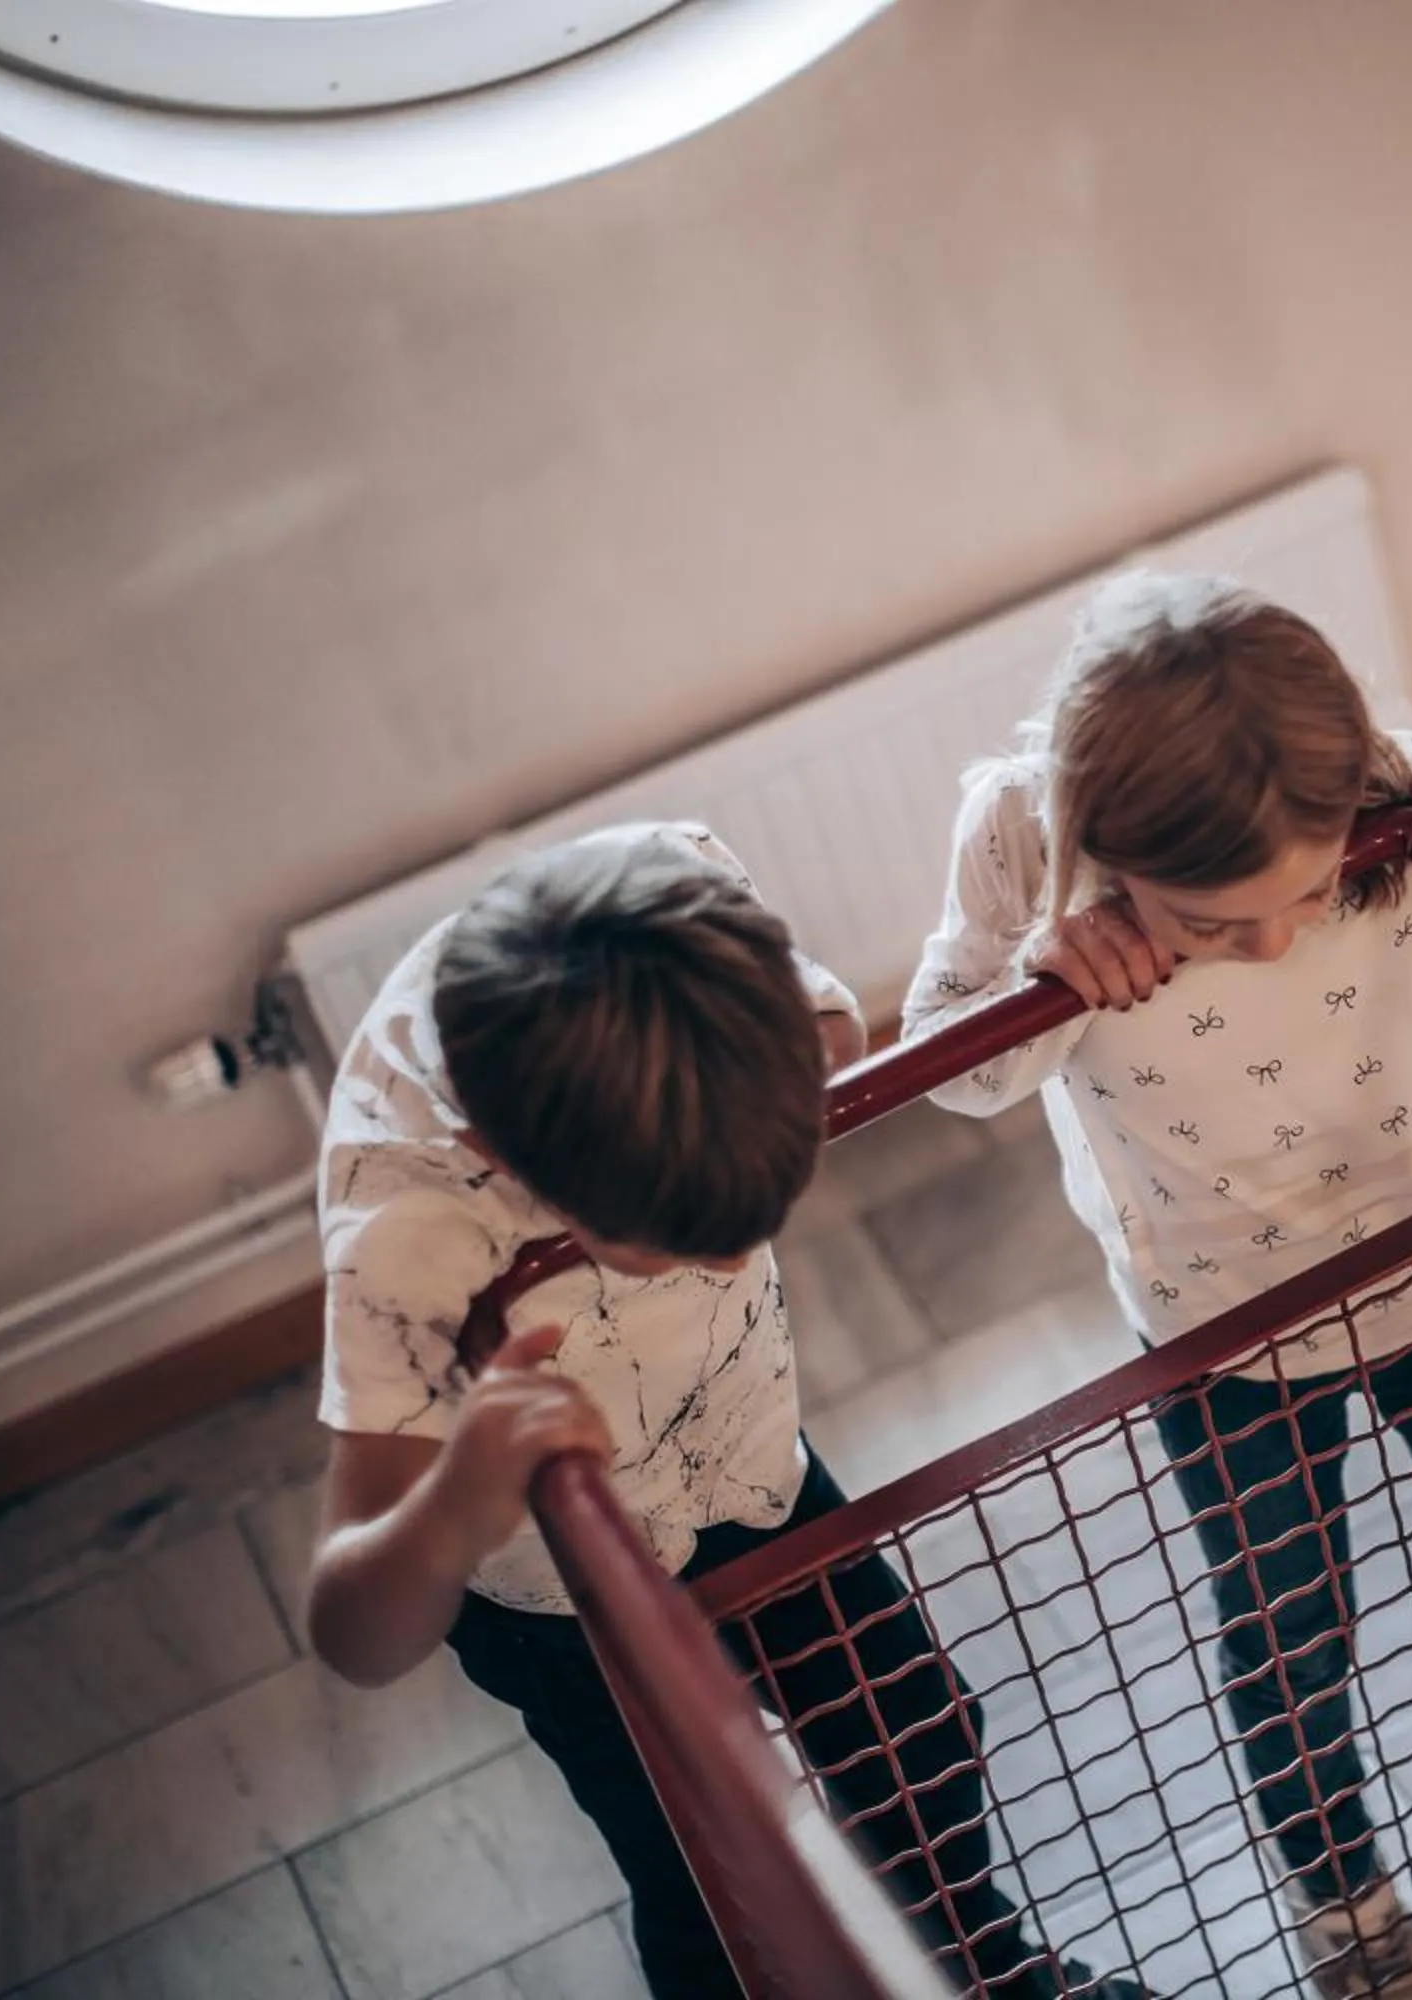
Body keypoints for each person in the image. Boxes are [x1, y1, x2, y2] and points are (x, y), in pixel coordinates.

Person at [900, 576, 1412, 2000]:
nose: (1272, 941)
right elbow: (955, 1073)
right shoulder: (1022, 840)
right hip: (1220, 1328)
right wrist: (1039, 975)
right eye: (1214, 922)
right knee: (1285, 1628)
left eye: (1309, 893)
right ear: (1106, 852)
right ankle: (1344, 1897)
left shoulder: (1376, 777)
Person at [301, 821, 1140, 2000]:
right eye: (675, 1247)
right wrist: (456, 1498)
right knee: (707, 1880)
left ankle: (982, 1966)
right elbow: (351, 1629)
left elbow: (836, 1027)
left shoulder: (692, 903)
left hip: (750, 1462)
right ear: (509, 1165)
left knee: (918, 1733)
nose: (735, 1253)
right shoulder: (402, 1227)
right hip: (560, 1597)